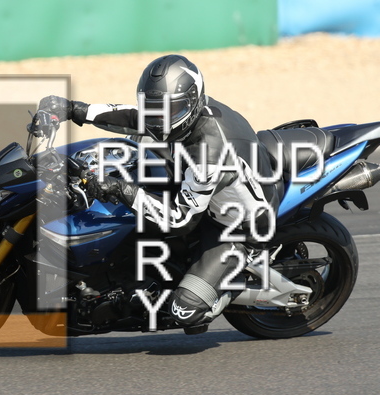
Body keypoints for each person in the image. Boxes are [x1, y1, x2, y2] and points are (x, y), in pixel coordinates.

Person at [38, 54, 281, 333]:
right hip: (203, 190)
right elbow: (133, 116)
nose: (158, 121)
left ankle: (228, 288)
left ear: (192, 101)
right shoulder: (183, 110)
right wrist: (74, 109)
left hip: (237, 228)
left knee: (184, 311)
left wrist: (118, 188)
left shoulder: (209, 153)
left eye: (169, 111)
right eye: (153, 109)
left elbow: (180, 220)